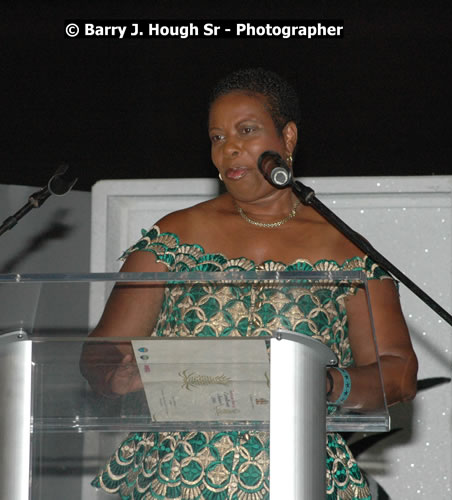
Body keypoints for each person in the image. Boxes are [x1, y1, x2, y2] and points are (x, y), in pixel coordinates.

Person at [81, 68, 418, 500]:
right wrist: (114, 375)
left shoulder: (346, 248)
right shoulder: (173, 238)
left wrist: (325, 384)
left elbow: (400, 371)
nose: (230, 148)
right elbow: (101, 350)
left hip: (300, 476)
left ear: (288, 138)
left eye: (246, 130)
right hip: (177, 478)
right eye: (217, 137)